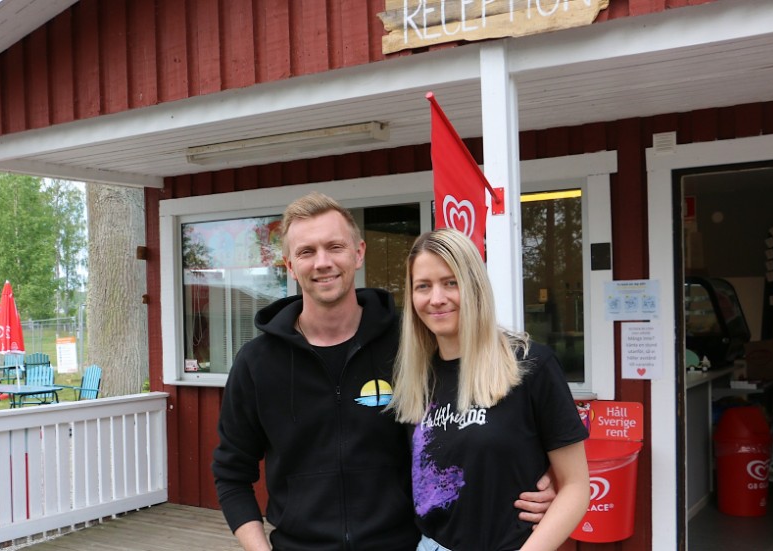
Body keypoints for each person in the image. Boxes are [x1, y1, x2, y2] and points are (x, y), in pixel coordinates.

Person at [212, 192, 555, 551]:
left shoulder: (415, 343)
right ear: (288, 264)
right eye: (306, 251)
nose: (322, 262)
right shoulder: (256, 363)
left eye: (335, 247)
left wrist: (550, 477)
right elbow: (231, 472)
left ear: (358, 253)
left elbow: (482, 417)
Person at [389, 228, 590, 551]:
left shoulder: (529, 365)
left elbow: (577, 486)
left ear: (474, 287)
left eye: (450, 282)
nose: (436, 298)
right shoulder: (415, 379)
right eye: (423, 286)